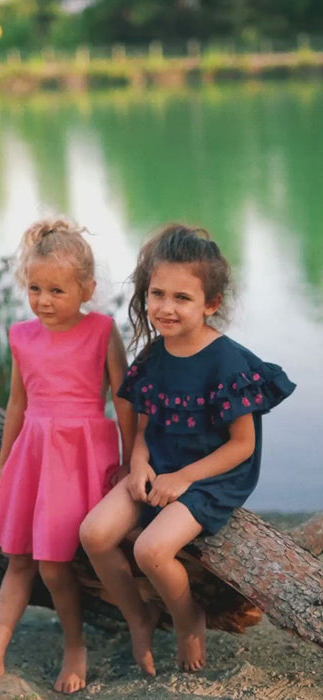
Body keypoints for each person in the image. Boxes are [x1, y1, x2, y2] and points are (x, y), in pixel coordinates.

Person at [80, 223, 296, 676]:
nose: (166, 307)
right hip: (160, 463)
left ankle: (186, 617)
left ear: (210, 304)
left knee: (151, 550)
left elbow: (242, 446)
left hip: (211, 476)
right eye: (157, 294)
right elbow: (145, 428)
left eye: (182, 298)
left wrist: (183, 479)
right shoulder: (154, 356)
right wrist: (138, 463)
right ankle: (139, 616)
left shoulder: (226, 361)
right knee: (94, 534)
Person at [0, 217, 135, 695]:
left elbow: (124, 400)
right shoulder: (21, 336)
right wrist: (4, 463)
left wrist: (130, 461)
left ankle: (75, 645)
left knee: (54, 565)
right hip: (33, 455)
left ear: (87, 289)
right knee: (19, 561)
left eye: (57, 290)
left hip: (80, 458)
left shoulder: (102, 331)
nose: (44, 300)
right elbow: (17, 403)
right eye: (35, 288)